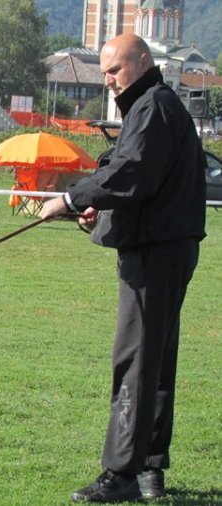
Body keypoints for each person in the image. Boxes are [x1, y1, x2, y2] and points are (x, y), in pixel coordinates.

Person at [39, 34, 206, 503]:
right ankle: (149, 466)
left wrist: (71, 198)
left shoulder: (153, 106)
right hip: (167, 247)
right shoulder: (153, 106)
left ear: (144, 62)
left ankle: (121, 475)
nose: (108, 80)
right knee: (154, 358)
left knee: (134, 360)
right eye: (105, 72)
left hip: (156, 253)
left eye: (115, 69)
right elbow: (134, 178)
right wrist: (100, 210)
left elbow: (131, 172)